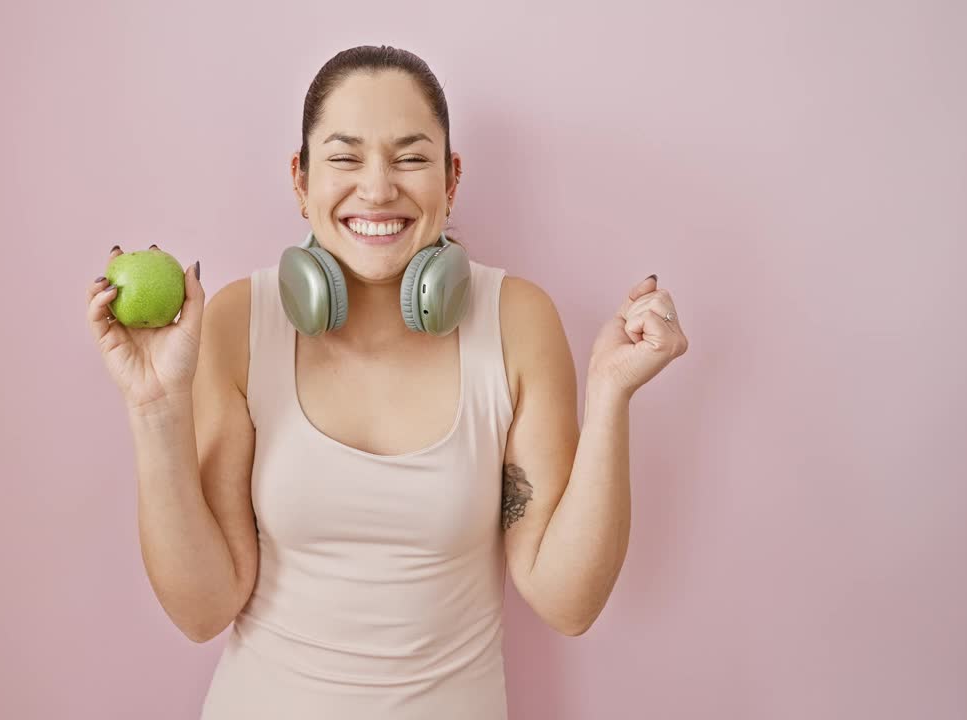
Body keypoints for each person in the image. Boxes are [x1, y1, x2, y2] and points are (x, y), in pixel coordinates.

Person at [85, 45, 688, 719]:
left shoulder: (517, 321)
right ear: (300, 178)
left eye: (410, 157)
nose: (377, 188)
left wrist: (610, 394)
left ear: (451, 177)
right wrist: (155, 410)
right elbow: (202, 612)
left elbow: (568, 602)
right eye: (344, 157)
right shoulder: (237, 321)